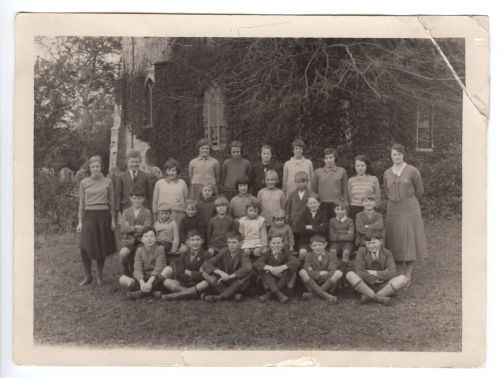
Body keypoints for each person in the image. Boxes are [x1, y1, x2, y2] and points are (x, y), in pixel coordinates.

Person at [383, 144, 428, 281]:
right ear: (391, 156)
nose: (397, 157)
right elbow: (386, 190)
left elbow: (419, 190)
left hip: (409, 209)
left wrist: (408, 200)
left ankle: (408, 274)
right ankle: (399, 272)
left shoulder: (412, 170)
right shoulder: (387, 173)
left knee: (409, 240)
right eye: (394, 154)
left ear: (403, 155)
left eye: (399, 154)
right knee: (394, 239)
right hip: (393, 210)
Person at [76, 155, 116, 285]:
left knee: (101, 246)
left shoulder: (108, 181)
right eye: (93, 166)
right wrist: (80, 221)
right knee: (84, 247)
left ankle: (99, 276)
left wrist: (113, 219)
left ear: (101, 167)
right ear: (90, 168)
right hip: (89, 216)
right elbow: (81, 203)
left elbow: (112, 202)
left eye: (97, 166)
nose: (95, 169)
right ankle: (88, 276)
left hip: (103, 216)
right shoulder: (84, 183)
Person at [346, 230, 408, 305]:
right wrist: (375, 279)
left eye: (374, 243)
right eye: (368, 243)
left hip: (383, 285)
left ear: (380, 242)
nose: (371, 246)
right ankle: (378, 298)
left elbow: (392, 272)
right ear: (365, 243)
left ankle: (369, 297)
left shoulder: (387, 253)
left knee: (403, 279)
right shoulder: (361, 252)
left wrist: (374, 273)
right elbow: (360, 272)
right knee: (350, 275)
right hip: (365, 284)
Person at [118, 227, 170, 299]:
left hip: (155, 278)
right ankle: (152, 292)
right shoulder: (139, 251)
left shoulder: (160, 249)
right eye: (146, 236)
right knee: (122, 279)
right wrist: (142, 282)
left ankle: (141, 293)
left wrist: (150, 282)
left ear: (156, 238)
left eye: (152, 236)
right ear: (142, 239)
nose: (149, 239)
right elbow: (137, 268)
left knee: (168, 269)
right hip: (144, 277)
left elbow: (159, 268)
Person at [201, 232, 253, 302]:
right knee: (205, 272)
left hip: (237, 283)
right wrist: (220, 272)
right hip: (224, 281)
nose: (231, 245)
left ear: (241, 243)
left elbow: (247, 267)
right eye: (229, 242)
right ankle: (232, 296)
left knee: (247, 274)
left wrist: (230, 276)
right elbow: (206, 263)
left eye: (234, 242)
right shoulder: (225, 251)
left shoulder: (243, 253)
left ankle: (219, 297)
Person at [160, 230, 211, 300]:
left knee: (205, 283)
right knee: (167, 282)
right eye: (192, 240)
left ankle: (176, 295)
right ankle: (193, 294)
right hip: (184, 283)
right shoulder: (184, 254)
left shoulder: (206, 254)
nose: (195, 242)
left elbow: (204, 274)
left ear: (202, 241)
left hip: (197, 283)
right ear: (188, 242)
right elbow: (179, 272)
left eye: (198, 240)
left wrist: (191, 273)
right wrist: (189, 276)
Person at [254, 235, 300, 303]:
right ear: (270, 244)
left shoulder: (286, 253)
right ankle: (278, 294)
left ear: (283, 244)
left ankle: (269, 294)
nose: (276, 245)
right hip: (271, 281)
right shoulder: (267, 253)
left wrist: (281, 268)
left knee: (291, 269)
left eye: (278, 243)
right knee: (262, 270)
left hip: (283, 281)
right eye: (274, 243)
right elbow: (257, 263)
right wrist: (270, 268)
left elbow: (296, 262)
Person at [118, 188, 153, 277]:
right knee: (123, 253)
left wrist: (130, 228)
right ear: (130, 199)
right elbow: (123, 229)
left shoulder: (147, 212)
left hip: (142, 241)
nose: (137, 201)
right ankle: (126, 272)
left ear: (143, 199)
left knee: (140, 253)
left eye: (139, 198)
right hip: (128, 240)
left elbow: (146, 228)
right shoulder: (126, 212)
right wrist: (136, 228)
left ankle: (138, 273)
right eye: (134, 198)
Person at [299, 234, 343, 302]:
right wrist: (319, 274)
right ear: (310, 246)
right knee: (302, 272)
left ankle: (313, 294)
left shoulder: (331, 256)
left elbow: (332, 272)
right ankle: (326, 296)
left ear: (325, 245)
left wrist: (317, 274)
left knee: (338, 273)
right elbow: (308, 271)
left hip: (327, 283)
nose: (317, 247)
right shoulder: (308, 256)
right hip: (313, 283)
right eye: (315, 245)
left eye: (320, 245)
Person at [311, 147, 348, 220]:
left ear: (335, 158)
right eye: (326, 158)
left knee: (336, 226)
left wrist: (345, 204)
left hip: (337, 204)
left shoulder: (342, 171)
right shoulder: (318, 172)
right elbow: (313, 191)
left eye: (331, 157)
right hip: (322, 204)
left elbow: (345, 190)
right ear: (324, 160)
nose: (328, 160)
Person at [115, 150, 153, 214]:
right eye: (132, 162)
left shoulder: (146, 176)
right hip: (126, 209)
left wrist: (150, 210)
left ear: (140, 162)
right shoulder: (121, 177)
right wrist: (118, 211)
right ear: (127, 162)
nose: (134, 164)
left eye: (136, 162)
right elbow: (118, 196)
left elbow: (150, 195)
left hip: (143, 209)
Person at [152, 158, 188, 226]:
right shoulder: (159, 183)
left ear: (177, 171)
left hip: (178, 213)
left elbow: (186, 199)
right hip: (163, 214)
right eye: (169, 170)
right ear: (165, 171)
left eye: (173, 170)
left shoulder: (182, 183)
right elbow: (155, 200)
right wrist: (155, 214)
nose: (171, 173)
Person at [347, 154, 381, 222]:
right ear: (354, 166)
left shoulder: (374, 179)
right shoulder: (351, 180)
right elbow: (349, 198)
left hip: (369, 208)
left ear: (367, 166)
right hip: (355, 209)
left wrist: (373, 208)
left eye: (363, 165)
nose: (360, 168)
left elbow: (378, 197)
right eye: (358, 165)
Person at [284, 171, 313, 247]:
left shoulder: (311, 194)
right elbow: (288, 208)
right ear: (295, 182)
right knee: (294, 237)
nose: (301, 184)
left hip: (306, 221)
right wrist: (287, 218)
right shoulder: (292, 194)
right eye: (298, 182)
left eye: (303, 181)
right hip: (294, 221)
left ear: (307, 181)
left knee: (303, 238)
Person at [297, 193, 328, 261]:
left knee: (320, 254)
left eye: (315, 203)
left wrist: (310, 227)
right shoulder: (303, 214)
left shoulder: (323, 214)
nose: (313, 205)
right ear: (307, 204)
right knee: (302, 252)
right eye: (310, 203)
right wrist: (317, 227)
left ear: (319, 203)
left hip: (319, 241)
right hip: (306, 241)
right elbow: (301, 230)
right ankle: (301, 269)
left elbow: (324, 229)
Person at [329, 202, 355, 277]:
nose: (340, 211)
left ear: (346, 210)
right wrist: (345, 233)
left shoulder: (350, 220)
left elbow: (350, 237)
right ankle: (334, 274)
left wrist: (337, 234)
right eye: (338, 209)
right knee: (332, 251)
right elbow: (332, 237)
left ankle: (342, 275)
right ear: (334, 210)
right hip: (335, 244)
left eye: (343, 209)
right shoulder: (332, 221)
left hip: (347, 244)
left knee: (346, 252)